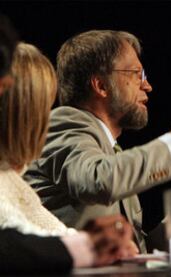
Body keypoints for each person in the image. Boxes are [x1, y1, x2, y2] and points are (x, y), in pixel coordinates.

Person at [24, 30, 171, 253]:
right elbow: (99, 181)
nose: (147, 86)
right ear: (101, 85)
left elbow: (140, 252)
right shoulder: (63, 123)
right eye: (137, 73)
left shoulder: (112, 151)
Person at [0, 17, 133, 272]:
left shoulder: (13, 182)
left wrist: (100, 243)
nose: (47, 119)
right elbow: (18, 247)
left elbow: (47, 237)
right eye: (44, 107)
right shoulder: (71, 128)